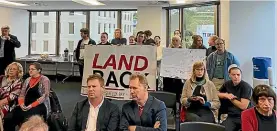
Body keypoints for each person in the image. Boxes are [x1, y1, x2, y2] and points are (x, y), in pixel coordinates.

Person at [218, 65, 253, 131]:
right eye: (233, 75)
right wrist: (226, 95)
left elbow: (243, 106)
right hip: (232, 116)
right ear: (229, 75)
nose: (236, 77)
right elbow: (217, 93)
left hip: (245, 116)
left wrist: (231, 98)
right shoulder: (227, 84)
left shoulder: (246, 86)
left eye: (238, 75)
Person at [16, 62, 51, 127]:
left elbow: (45, 96)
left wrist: (31, 105)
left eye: (33, 69)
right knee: (14, 114)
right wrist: (21, 104)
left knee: (29, 117)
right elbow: (22, 94)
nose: (30, 71)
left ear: (39, 70)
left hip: (39, 104)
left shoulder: (45, 80)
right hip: (26, 103)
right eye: (29, 69)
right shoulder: (27, 80)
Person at [0, 62, 23, 131]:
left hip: (7, 104)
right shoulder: (1, 78)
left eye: (14, 69)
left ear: (18, 72)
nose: (11, 70)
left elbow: (10, 98)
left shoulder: (18, 84)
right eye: (10, 69)